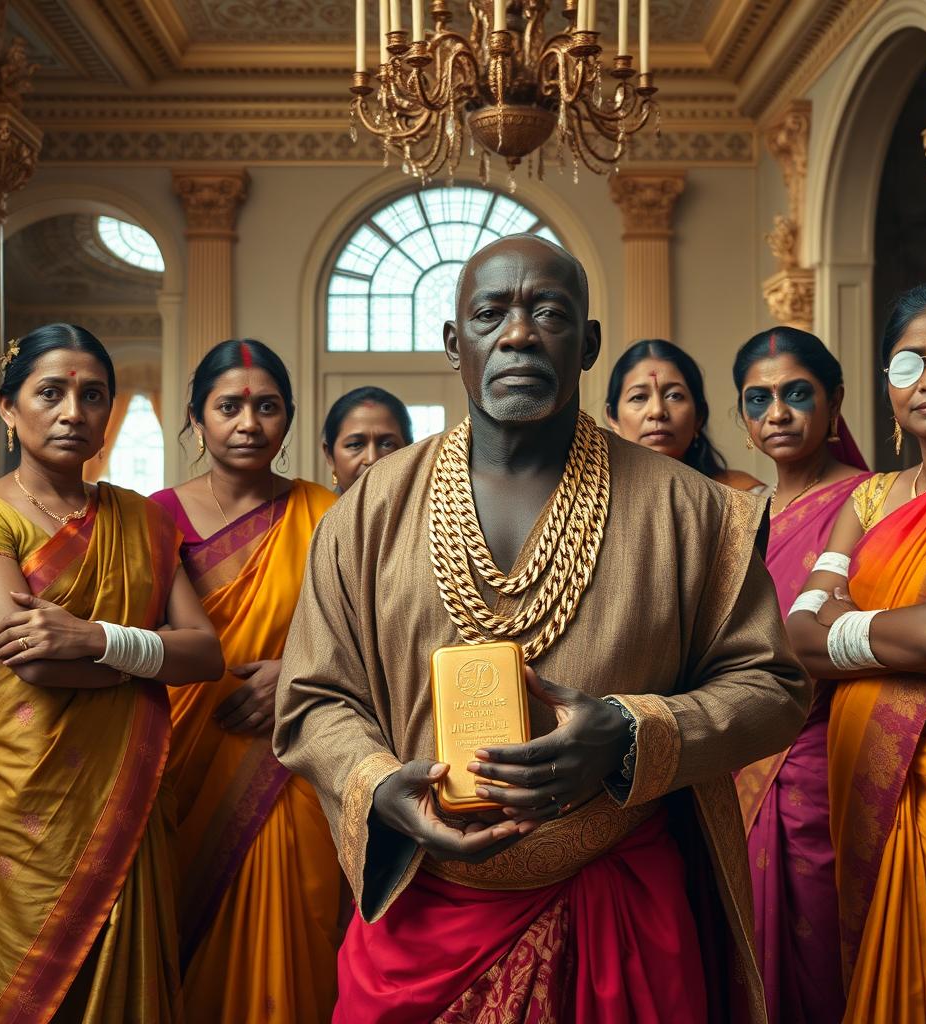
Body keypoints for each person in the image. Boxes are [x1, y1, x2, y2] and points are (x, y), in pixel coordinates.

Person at [274, 235, 810, 1023]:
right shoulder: (368, 510)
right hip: (424, 926)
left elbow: (773, 686)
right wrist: (384, 786)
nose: (519, 333)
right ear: (456, 344)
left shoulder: (688, 509)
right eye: (491, 313)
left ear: (588, 341)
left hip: (619, 908)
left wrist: (630, 733)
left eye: (549, 311)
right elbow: (314, 699)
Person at [785, 283, 926, 1022]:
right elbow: (794, 639)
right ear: (885, 383)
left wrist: (849, 623)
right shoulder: (866, 499)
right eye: (908, 363)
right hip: (866, 782)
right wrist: (905, 640)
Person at [0, 323, 222, 1023]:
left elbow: (206, 656)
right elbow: (30, 659)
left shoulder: (143, 521)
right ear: (8, 408)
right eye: (51, 393)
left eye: (93, 395)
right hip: (27, 804)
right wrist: (143, 661)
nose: (73, 412)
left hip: (129, 795)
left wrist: (91, 637)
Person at [149, 339, 341, 1024]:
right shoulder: (149, 519)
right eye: (228, 407)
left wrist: (301, 675)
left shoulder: (327, 516)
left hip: (290, 766)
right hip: (171, 768)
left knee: (296, 955)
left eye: (267, 407)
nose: (248, 424)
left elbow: (380, 641)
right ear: (196, 419)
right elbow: (126, 642)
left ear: (289, 417)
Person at [731, 327, 870, 1024]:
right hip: (734, 758)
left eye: (796, 394)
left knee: (819, 951)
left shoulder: (873, 501)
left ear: (835, 399)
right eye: (759, 399)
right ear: (742, 419)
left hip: (822, 754)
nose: (777, 412)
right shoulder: (739, 514)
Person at [605, 338, 764, 491]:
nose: (657, 411)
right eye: (638, 397)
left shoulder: (743, 498)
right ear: (613, 418)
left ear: (699, 415)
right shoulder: (594, 501)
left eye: (674, 396)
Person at [321, 386, 413, 492]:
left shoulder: (431, 506)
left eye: (387, 444)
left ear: (410, 453)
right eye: (355, 445)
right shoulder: (318, 508)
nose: (372, 459)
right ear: (330, 455)